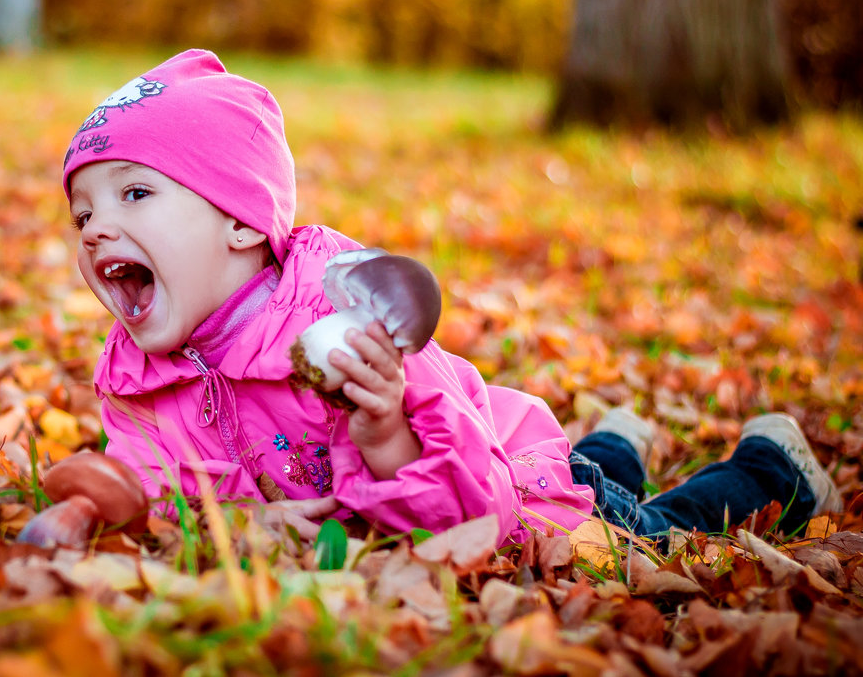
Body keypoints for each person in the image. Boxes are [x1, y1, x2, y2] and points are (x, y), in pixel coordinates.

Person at [62, 49, 842, 544]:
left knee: (640, 537)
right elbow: (166, 496)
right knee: (588, 470)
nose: (97, 230)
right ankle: (611, 445)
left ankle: (772, 468)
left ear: (240, 223)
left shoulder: (351, 321)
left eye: (134, 194)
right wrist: (239, 527)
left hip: (501, 489)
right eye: (84, 211)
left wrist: (385, 431)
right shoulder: (137, 374)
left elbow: (477, 516)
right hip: (487, 468)